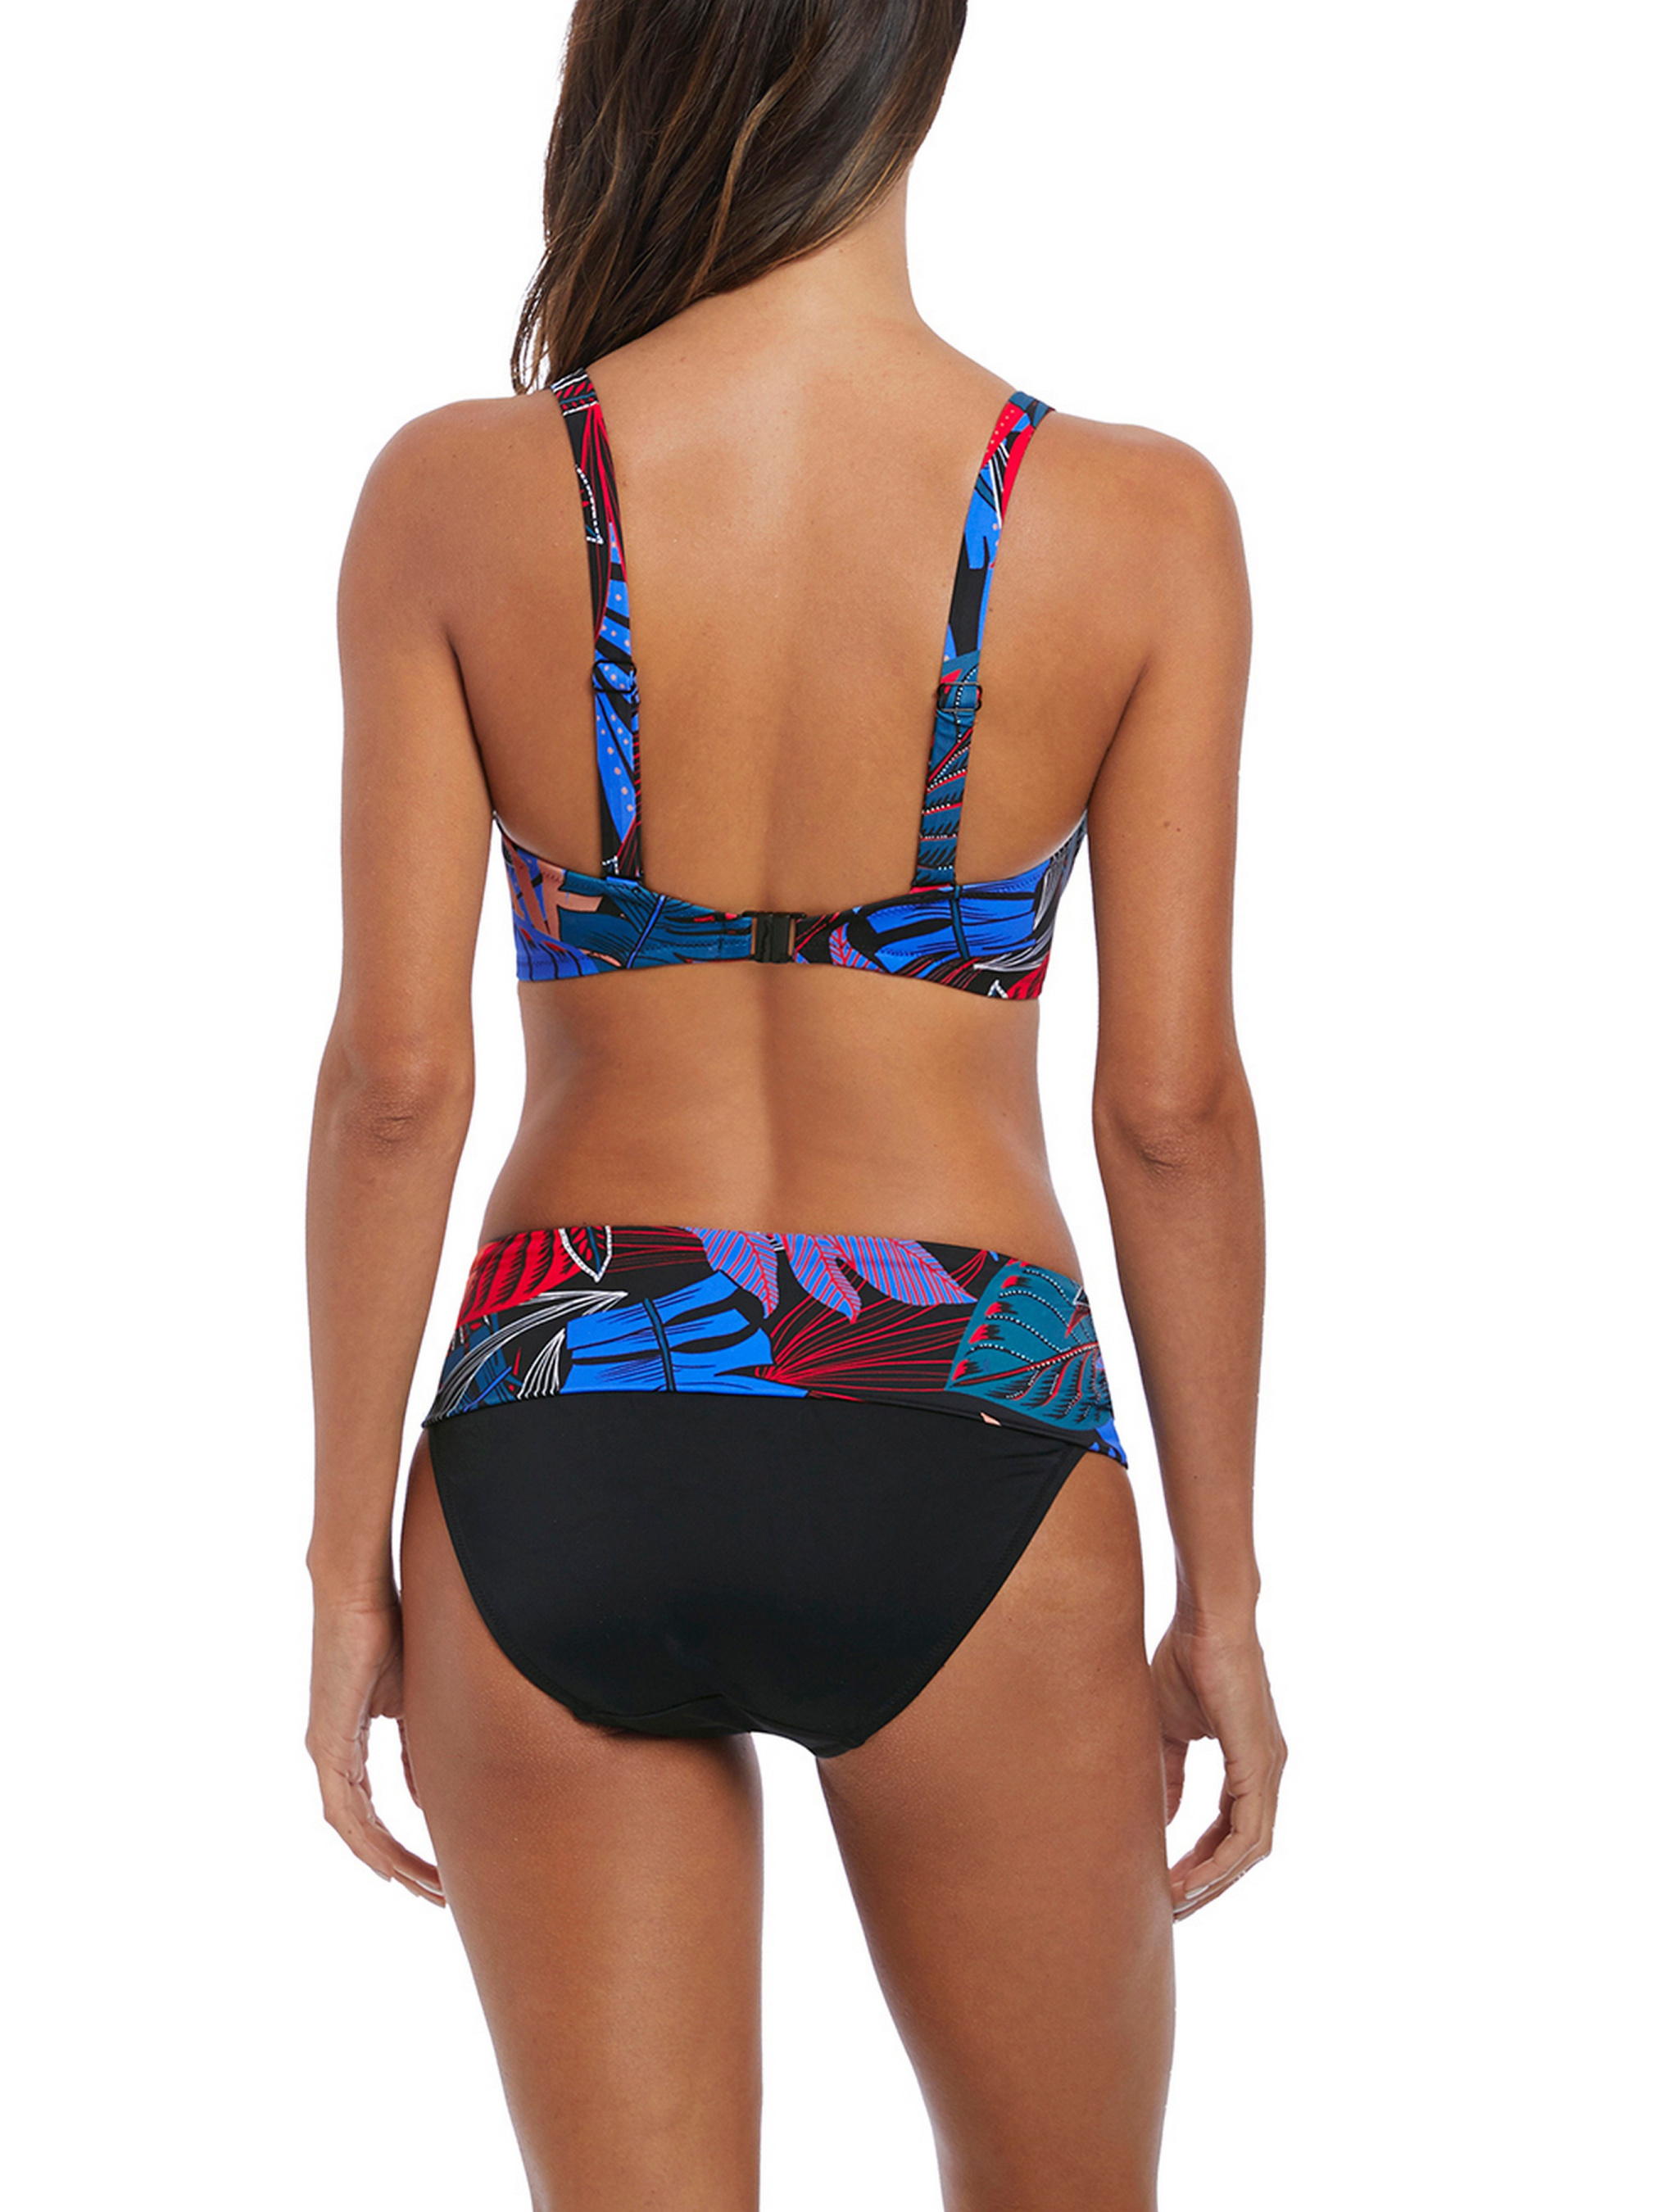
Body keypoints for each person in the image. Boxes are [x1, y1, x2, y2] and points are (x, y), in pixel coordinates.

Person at [305, 2, 1285, 2202]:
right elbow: (1171, 1111)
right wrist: (1220, 1594)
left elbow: (394, 1083)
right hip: (959, 1404)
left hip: (562, 1403)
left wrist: (348, 1569)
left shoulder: (460, 494)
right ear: (915, 62)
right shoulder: (1137, 520)